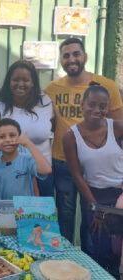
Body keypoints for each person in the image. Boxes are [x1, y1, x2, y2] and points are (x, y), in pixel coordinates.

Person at [45, 37, 123, 244]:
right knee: (66, 214)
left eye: (76, 54)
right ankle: (66, 259)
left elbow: (118, 127)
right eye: (66, 55)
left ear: (85, 56)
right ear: (61, 60)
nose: (72, 59)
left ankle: (92, 260)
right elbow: (49, 123)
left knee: (93, 214)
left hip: (98, 164)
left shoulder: (106, 86)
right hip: (63, 160)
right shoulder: (52, 89)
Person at [63, 84, 123, 275]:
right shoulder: (70, 136)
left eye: (103, 106)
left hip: (120, 195)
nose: (97, 110)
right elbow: (77, 176)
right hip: (93, 196)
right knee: (98, 246)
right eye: (92, 104)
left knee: (118, 249)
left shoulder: (118, 127)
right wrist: (95, 206)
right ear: (82, 105)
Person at [0, 60, 54, 197]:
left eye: (25, 80)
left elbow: (53, 126)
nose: (20, 84)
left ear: (33, 83)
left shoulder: (45, 102)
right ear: (9, 82)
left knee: (40, 217)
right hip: (13, 173)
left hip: (42, 170)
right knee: (9, 213)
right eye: (15, 80)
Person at [0, 118, 51, 199]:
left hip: (25, 210)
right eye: (2, 137)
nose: (8, 140)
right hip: (2, 209)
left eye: (12, 135)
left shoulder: (27, 159)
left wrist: (28, 143)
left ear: (19, 137)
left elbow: (46, 170)